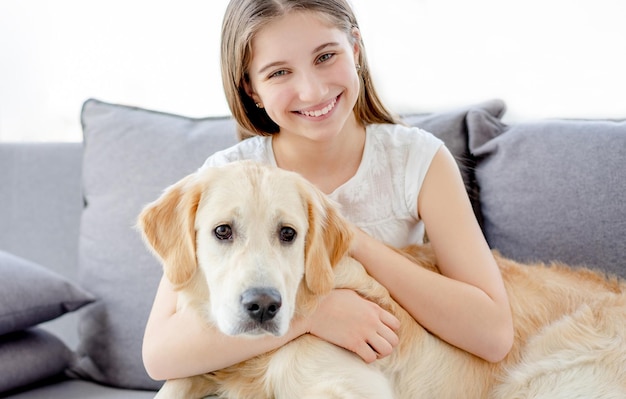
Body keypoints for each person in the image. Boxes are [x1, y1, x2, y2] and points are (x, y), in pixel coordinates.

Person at [142, 0, 514, 381]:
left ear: (355, 49)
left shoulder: (417, 160)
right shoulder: (225, 180)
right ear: (250, 87)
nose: (312, 90)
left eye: (325, 56)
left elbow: (493, 334)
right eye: (279, 72)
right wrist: (312, 314)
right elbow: (159, 355)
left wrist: (351, 240)